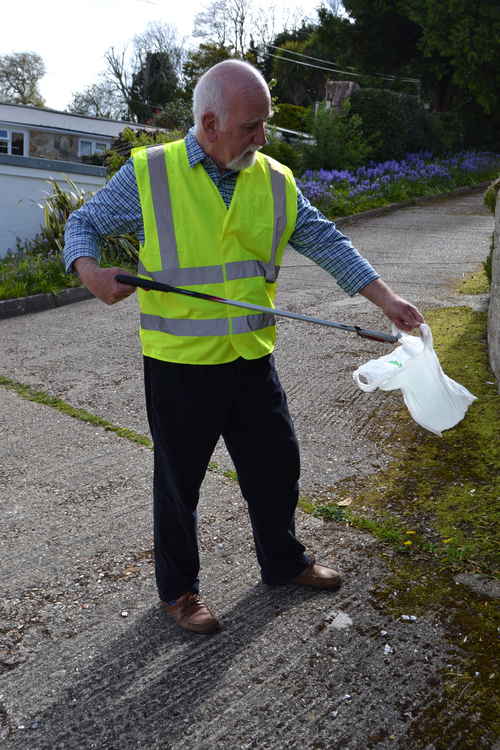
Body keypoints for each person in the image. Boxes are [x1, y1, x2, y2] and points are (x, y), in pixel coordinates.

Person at [64, 60, 424, 635]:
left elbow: (325, 239)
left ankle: (283, 563)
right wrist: (91, 274)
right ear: (209, 123)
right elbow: (81, 226)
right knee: (179, 485)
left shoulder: (274, 178)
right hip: (179, 366)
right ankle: (179, 592)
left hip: (252, 357)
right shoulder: (151, 174)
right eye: (251, 126)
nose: (262, 138)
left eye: (266, 124)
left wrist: (386, 299)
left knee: (276, 466)